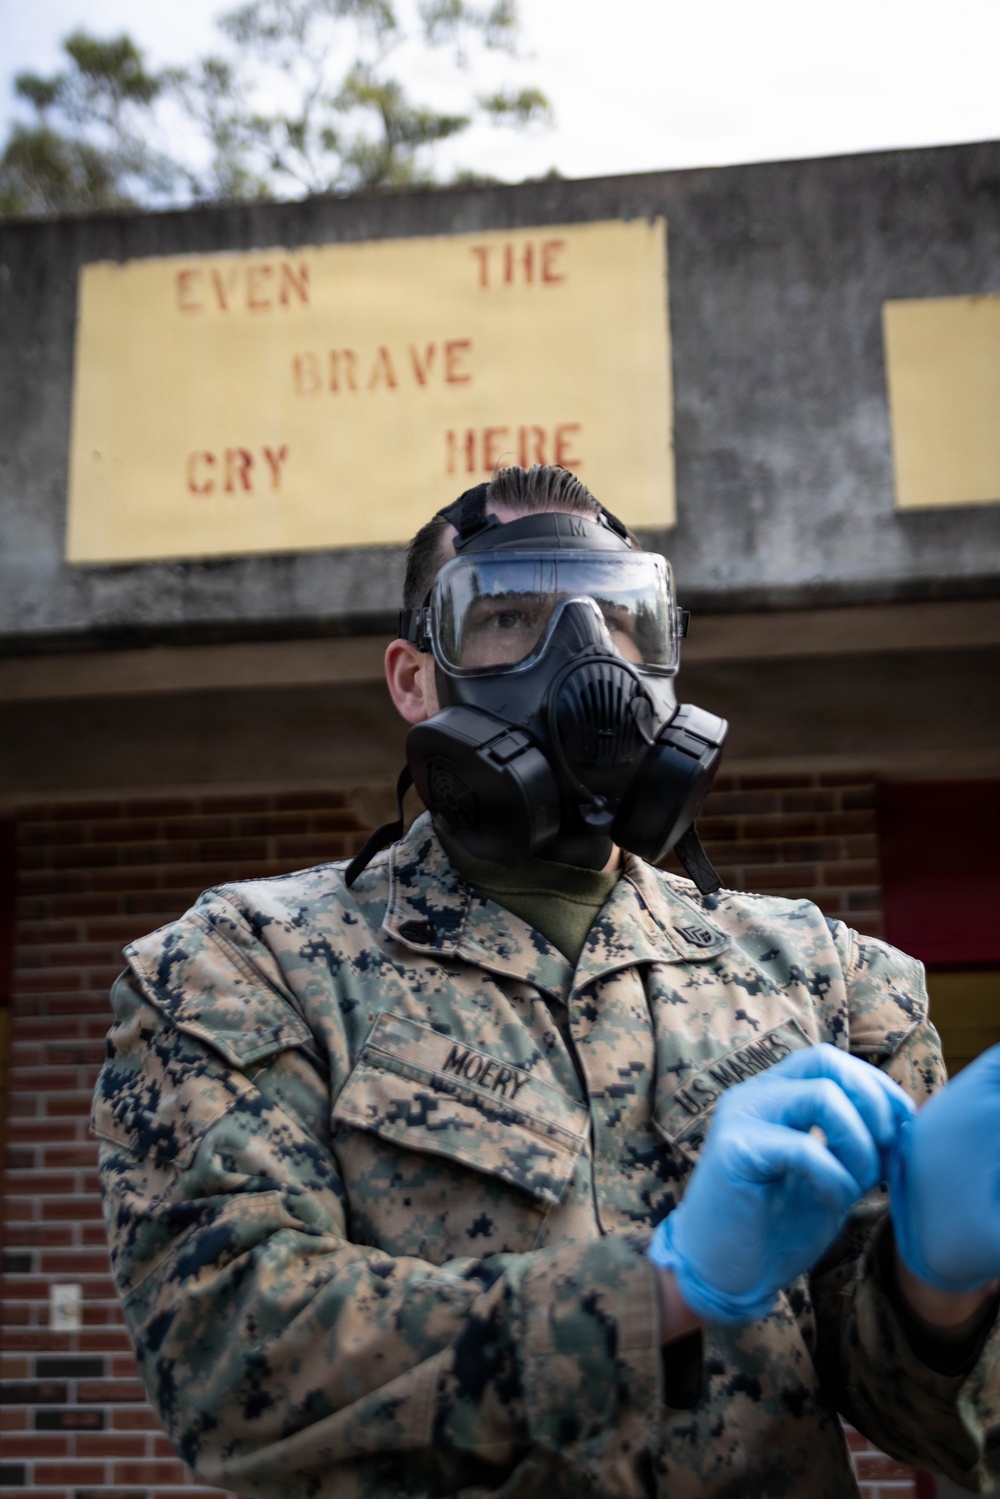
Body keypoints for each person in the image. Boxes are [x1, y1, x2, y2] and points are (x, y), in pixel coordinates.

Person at [94, 465, 1000, 1499]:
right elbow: (233, 1361)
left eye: (621, 618)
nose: (587, 662)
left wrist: (940, 1282)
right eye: (510, 615)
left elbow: (941, 1424)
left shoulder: (831, 978)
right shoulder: (239, 965)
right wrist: (660, 1288)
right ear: (412, 676)